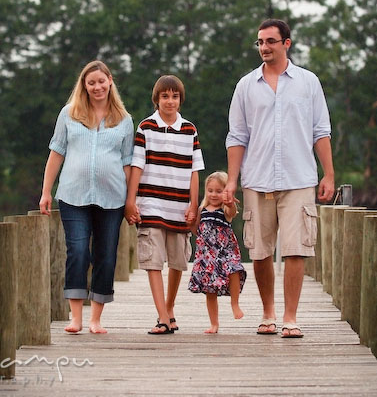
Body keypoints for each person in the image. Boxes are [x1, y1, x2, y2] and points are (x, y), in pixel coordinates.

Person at [223, 19, 335, 339]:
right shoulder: (246, 85)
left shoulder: (308, 82)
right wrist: (232, 181)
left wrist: (328, 173)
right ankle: (268, 312)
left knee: (295, 249)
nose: (264, 47)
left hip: (299, 177)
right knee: (259, 251)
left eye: (271, 41)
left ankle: (290, 317)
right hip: (256, 178)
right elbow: (237, 136)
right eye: (260, 42)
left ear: (287, 43)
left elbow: (321, 131)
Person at [39, 60, 134, 335]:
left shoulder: (124, 120)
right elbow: (56, 153)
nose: (97, 87)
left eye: (101, 81)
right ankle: (76, 318)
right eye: (91, 82)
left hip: (113, 198)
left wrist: (130, 200)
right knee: (78, 252)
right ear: (84, 85)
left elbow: (128, 163)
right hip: (73, 195)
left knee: (105, 256)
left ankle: (96, 319)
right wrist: (46, 191)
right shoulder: (69, 114)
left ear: (110, 82)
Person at [125, 74, 204, 335]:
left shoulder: (189, 129)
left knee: (178, 261)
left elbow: (195, 171)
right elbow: (137, 165)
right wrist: (131, 201)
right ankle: (161, 316)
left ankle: (169, 308)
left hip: (179, 206)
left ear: (181, 99)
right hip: (151, 204)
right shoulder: (146, 127)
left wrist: (194, 205)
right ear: (156, 99)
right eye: (164, 96)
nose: (170, 101)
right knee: (153, 261)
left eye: (175, 96)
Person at [188, 171, 247, 334]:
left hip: (224, 251)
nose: (214, 194)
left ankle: (235, 303)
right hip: (207, 254)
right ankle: (214, 323)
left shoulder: (224, 210)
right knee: (210, 290)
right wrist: (190, 223)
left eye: (219, 191)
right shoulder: (202, 209)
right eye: (210, 190)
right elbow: (197, 230)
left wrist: (229, 202)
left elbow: (232, 212)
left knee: (234, 271)